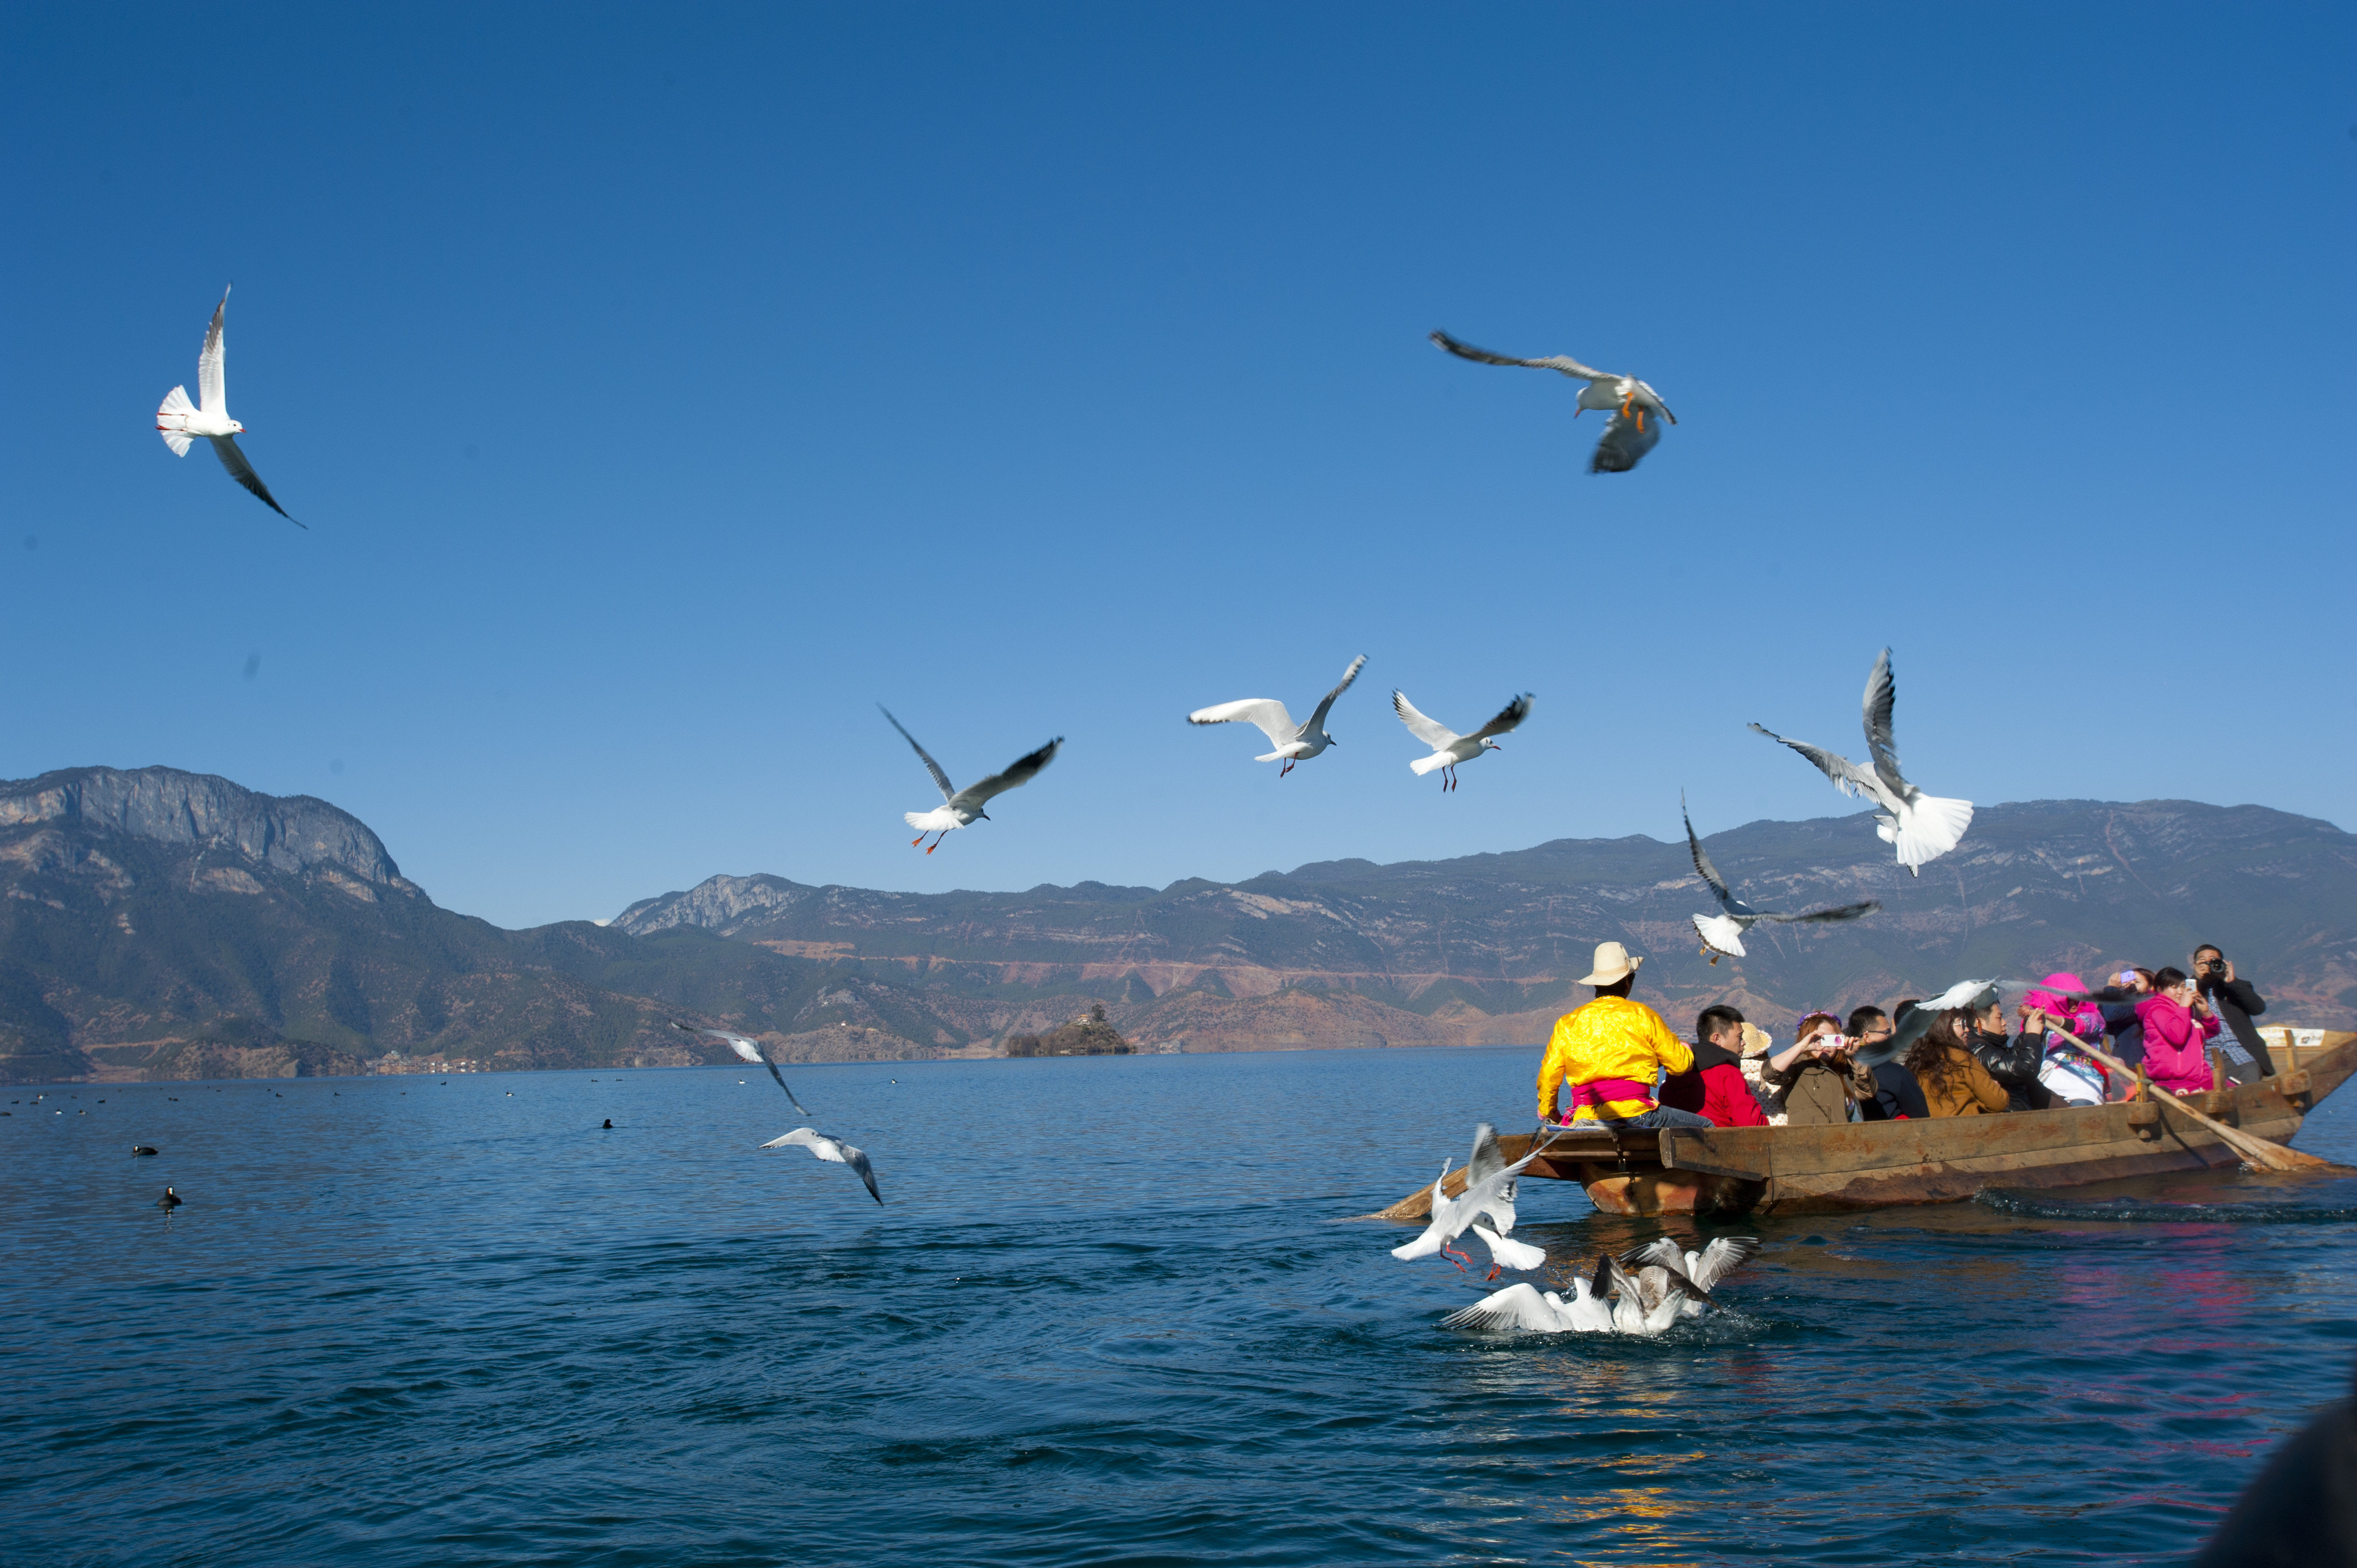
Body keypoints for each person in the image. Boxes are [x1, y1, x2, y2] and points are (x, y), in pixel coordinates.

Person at [1536, 942, 1713, 1129]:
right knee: (1707, 1128)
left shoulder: (1567, 1023)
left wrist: (1550, 1112)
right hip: (1637, 1114)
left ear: (1596, 984)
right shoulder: (1642, 1015)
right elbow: (1679, 1065)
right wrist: (1685, 1049)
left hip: (1586, 1117)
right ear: (1628, 981)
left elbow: (1549, 1075)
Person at [1659, 1005, 1771, 1127]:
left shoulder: (1677, 1071)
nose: (1743, 1042)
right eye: (1739, 1037)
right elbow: (1751, 1124)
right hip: (1722, 1143)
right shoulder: (1727, 1072)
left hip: (1681, 1142)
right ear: (1717, 1039)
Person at [1903, 1008, 2010, 1117]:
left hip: (1925, 1131)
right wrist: (1988, 1092)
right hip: (1963, 1130)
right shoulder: (1962, 1059)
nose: (1967, 1029)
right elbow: (1999, 1102)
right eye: (1961, 1023)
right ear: (1944, 1027)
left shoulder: (1915, 1062)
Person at [2194, 944, 2274, 1084]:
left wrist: (2233, 983)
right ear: (2194, 965)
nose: (2208, 965)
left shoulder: (2236, 987)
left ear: (2223, 964)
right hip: (2206, 1056)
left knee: (2250, 1077)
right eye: (2203, 961)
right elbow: (2185, 1013)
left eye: (2213, 961)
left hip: (2241, 1052)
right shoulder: (2188, 990)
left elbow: (2258, 1009)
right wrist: (2198, 981)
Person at [1759, 1011, 1856, 1126]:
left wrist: (1854, 1057)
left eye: (1831, 1039)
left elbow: (1868, 1092)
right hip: (1807, 1140)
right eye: (1818, 1038)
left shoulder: (1843, 1069)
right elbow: (1770, 1073)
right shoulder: (1797, 1065)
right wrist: (1802, 1046)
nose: (1824, 1045)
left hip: (1840, 1139)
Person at [2138, 966, 2222, 1095]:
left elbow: (2210, 1033)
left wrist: (2206, 1012)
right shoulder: (2158, 1010)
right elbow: (2178, 1036)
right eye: (2174, 986)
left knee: (2239, 1095)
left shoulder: (2185, 1011)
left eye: (2183, 987)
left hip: (2200, 1077)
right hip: (2174, 1082)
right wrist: (2184, 1006)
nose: (2180, 992)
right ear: (2160, 989)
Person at [1965, 991, 2050, 1111]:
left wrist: (2029, 1027)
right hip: (2012, 1120)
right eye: (1999, 1018)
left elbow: (2012, 1061)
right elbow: (2025, 1069)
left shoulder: (1986, 1045)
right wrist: (2032, 1036)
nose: (2004, 1022)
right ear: (1980, 1023)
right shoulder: (1977, 1049)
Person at [1846, 1005, 1928, 1120]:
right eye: (1887, 1032)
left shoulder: (1842, 1071)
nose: (1891, 1036)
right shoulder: (1896, 1074)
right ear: (1867, 1037)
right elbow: (1922, 1116)